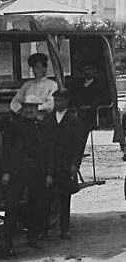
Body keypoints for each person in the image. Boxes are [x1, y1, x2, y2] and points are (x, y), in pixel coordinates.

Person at [1, 95, 55, 256]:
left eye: (34, 107)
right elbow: (6, 150)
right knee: (12, 206)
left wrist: (48, 173)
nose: (31, 110)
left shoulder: (39, 126)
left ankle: (33, 238)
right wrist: (6, 172)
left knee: (35, 205)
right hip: (17, 170)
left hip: (36, 171)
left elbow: (46, 151)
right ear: (22, 108)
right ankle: (8, 243)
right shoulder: (13, 126)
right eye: (28, 107)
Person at [44, 89, 82, 240]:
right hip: (50, 164)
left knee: (64, 197)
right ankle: (45, 230)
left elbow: (77, 145)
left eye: (60, 100)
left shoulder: (73, 120)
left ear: (66, 101)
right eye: (56, 100)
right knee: (47, 198)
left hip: (65, 164)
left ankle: (64, 229)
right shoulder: (48, 119)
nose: (57, 103)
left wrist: (75, 164)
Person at [68, 63, 110, 162]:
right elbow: (73, 97)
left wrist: (92, 105)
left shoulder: (99, 85)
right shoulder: (78, 85)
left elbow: (104, 98)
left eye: (90, 69)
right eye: (86, 70)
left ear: (94, 71)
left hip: (93, 112)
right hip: (79, 111)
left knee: (83, 128)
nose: (88, 72)